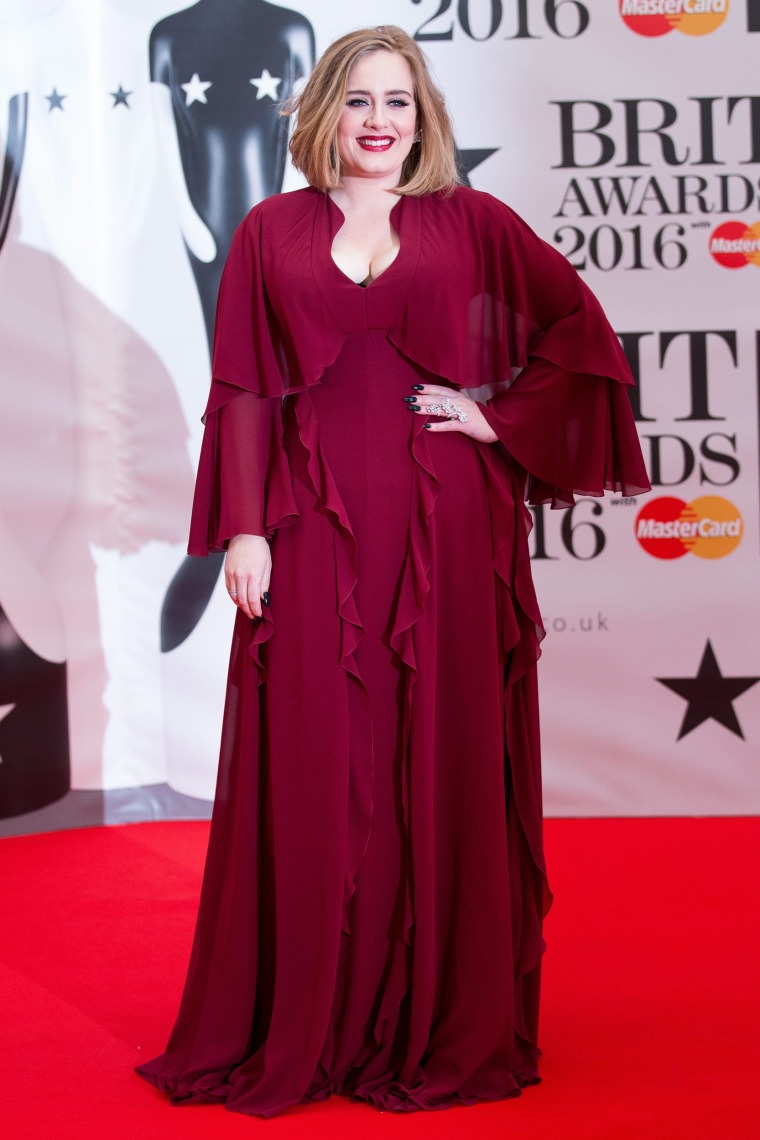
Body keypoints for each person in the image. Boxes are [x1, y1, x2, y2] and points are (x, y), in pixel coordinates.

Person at [136, 25, 650, 1118]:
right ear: (323, 111)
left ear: (424, 120)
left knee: (440, 756)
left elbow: (577, 331)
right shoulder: (268, 230)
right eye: (361, 101)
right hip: (307, 529)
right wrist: (245, 529)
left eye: (400, 105)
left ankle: (436, 1018)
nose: (380, 122)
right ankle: (312, 1021)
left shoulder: (474, 223)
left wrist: (495, 417)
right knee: (319, 762)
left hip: (449, 532)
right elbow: (242, 392)